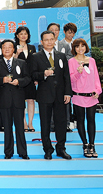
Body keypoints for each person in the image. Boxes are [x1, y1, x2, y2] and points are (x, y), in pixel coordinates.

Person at [32, 31, 72, 160]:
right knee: (45, 123)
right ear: (42, 42)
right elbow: (32, 75)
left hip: (60, 95)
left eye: (51, 39)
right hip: (44, 95)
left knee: (61, 123)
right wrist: (43, 74)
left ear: (55, 40)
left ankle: (61, 148)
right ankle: (48, 149)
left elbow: (66, 76)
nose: (49, 42)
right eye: (46, 40)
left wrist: (67, 92)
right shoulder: (36, 56)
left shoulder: (61, 56)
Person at [0, 40, 30, 159]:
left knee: (20, 127)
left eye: (9, 47)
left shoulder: (22, 63)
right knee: (7, 128)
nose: (7, 49)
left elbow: (28, 78)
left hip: (18, 100)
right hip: (4, 100)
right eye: (4, 47)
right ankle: (8, 152)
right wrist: (2, 80)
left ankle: (23, 152)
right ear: (1, 50)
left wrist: (19, 82)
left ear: (14, 49)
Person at [68, 39, 101, 158]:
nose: (80, 48)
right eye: (77, 46)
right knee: (80, 120)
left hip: (91, 96)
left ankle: (92, 145)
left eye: (82, 46)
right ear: (74, 48)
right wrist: (78, 72)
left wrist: (98, 91)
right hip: (78, 96)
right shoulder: (71, 61)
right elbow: (71, 80)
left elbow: (96, 77)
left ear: (86, 47)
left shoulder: (91, 60)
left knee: (91, 120)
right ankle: (85, 144)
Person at [13, 26, 37, 132]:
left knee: (31, 100)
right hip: (19, 78)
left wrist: (36, 78)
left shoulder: (32, 47)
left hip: (31, 78)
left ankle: (31, 123)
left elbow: (35, 63)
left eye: (25, 34)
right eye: (21, 33)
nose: (23, 36)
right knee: (21, 101)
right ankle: (24, 123)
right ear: (17, 35)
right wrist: (17, 53)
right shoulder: (13, 46)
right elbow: (11, 62)